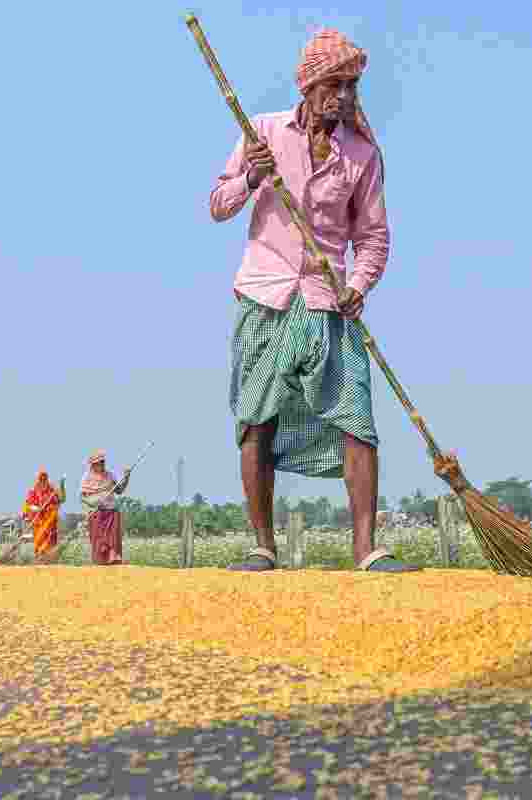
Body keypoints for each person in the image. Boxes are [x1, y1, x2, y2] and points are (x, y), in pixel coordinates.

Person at [210, 27, 418, 573]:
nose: (345, 96)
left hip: (329, 301)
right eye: (335, 84)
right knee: (257, 422)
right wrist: (252, 177)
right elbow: (217, 204)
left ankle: (366, 548)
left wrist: (359, 285)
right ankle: (262, 545)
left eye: (351, 86)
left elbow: (373, 236)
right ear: (309, 86)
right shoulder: (262, 133)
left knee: (357, 420)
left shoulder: (363, 154)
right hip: (266, 298)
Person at [80, 450, 129, 566]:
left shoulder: (110, 475)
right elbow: (83, 498)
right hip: (96, 512)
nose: (101, 464)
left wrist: (126, 477)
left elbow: (120, 490)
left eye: (102, 462)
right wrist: (95, 502)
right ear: (93, 464)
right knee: (98, 539)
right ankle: (100, 561)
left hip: (111, 510)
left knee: (113, 536)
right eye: (98, 462)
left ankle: (113, 558)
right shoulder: (86, 478)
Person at [21, 468, 65, 564]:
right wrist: (37, 508)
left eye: (44, 479)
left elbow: (62, 499)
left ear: (47, 479)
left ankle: (50, 561)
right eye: (41, 479)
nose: (43, 481)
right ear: (38, 480)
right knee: (39, 541)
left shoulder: (52, 490)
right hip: (39, 522)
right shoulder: (33, 491)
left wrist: (62, 485)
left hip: (50, 522)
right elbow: (28, 505)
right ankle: (39, 560)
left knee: (51, 543)